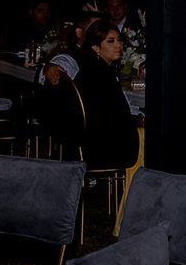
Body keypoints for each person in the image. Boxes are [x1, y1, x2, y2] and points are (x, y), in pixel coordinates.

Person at [44, 18, 136, 170]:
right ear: (96, 47)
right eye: (111, 42)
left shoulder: (93, 67)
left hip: (86, 143)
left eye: (119, 40)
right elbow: (116, 118)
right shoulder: (100, 73)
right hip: (102, 148)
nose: (118, 45)